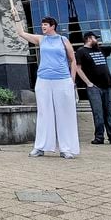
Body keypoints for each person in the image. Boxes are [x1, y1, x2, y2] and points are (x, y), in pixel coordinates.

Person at [13, 12, 80, 159]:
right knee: (44, 113)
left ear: (52, 26)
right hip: (43, 80)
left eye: (45, 25)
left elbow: (73, 60)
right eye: (42, 25)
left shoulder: (63, 40)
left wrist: (72, 80)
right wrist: (16, 18)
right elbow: (21, 33)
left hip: (62, 80)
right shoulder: (41, 39)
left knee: (65, 114)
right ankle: (40, 147)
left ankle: (66, 148)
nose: (43, 27)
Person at [75, 30, 111, 145]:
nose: (97, 40)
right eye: (95, 38)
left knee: (109, 112)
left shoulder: (100, 50)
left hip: (107, 85)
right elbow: (77, 68)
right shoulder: (81, 52)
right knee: (98, 112)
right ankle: (99, 137)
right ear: (89, 39)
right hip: (94, 87)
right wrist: (88, 83)